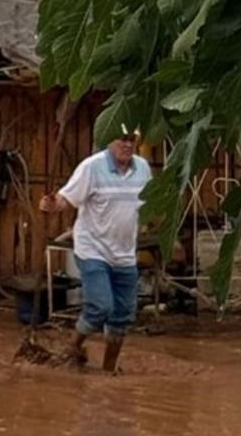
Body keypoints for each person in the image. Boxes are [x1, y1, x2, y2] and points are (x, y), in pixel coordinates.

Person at [40, 125, 151, 372]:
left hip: (124, 253)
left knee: (122, 317)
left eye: (132, 140)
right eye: (122, 139)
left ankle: (109, 370)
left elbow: (149, 205)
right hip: (93, 250)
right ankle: (73, 347)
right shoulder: (91, 167)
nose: (127, 144)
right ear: (109, 141)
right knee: (100, 307)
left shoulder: (142, 169)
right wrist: (52, 204)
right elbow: (66, 199)